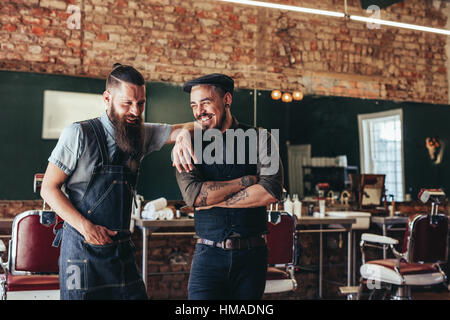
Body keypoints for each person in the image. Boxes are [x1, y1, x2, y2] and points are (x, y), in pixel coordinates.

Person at [41, 63, 194, 300]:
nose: (135, 111)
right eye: (127, 103)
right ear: (107, 98)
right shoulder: (78, 134)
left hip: (120, 251)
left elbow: (187, 127)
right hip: (80, 251)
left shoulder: (139, 135)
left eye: (141, 103)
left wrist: (182, 134)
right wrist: (86, 227)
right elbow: (48, 189)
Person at [175, 73, 284, 300]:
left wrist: (211, 199)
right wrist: (248, 181)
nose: (199, 111)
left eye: (205, 102)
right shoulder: (187, 144)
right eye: (194, 105)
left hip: (251, 256)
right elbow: (194, 197)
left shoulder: (261, 137)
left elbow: (271, 190)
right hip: (208, 256)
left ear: (227, 99)